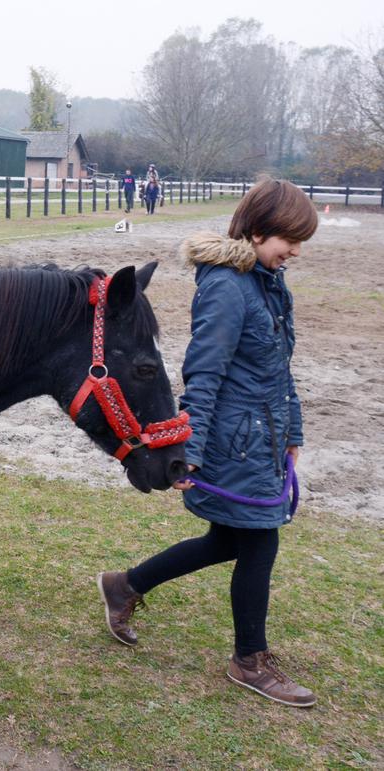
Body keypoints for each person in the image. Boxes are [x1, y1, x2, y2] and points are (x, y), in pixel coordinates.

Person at [96, 178, 319, 708]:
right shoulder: (226, 286)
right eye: (291, 238)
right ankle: (249, 660)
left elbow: (276, 368)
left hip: (264, 437)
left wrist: (293, 433)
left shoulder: (267, 280)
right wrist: (187, 453)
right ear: (260, 228)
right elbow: (204, 373)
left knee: (228, 541)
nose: (295, 251)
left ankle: (125, 585)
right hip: (231, 442)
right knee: (259, 543)